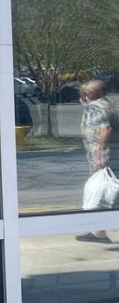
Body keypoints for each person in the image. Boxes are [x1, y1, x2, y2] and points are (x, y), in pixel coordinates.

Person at [76, 79, 113, 243]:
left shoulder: (95, 107)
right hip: (110, 156)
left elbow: (104, 129)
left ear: (88, 95)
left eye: (82, 93)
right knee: (102, 191)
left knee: (95, 190)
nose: (80, 96)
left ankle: (98, 231)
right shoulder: (107, 105)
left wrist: (99, 155)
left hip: (103, 157)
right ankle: (98, 230)